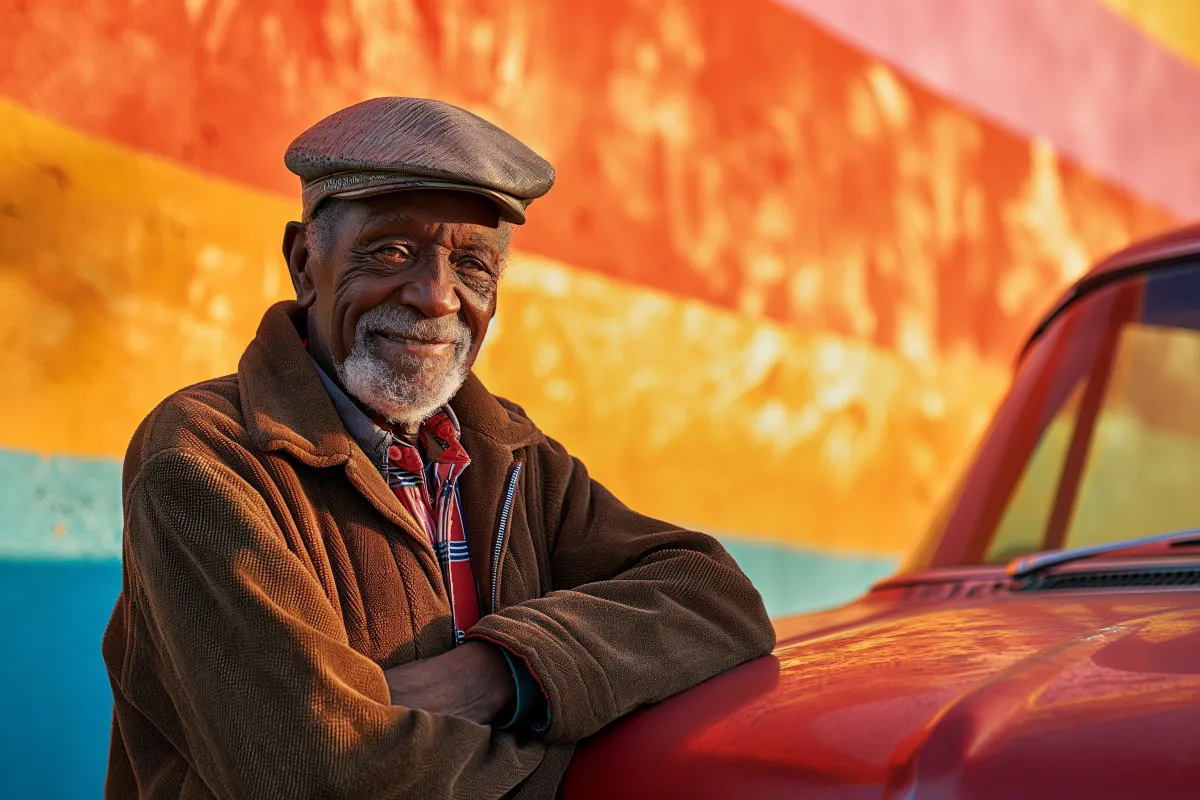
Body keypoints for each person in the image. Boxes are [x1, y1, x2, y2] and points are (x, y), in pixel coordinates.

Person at [102, 97, 775, 799]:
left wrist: (500, 674)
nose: (436, 297)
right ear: (305, 262)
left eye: (474, 265)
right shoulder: (204, 457)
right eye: (392, 251)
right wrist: (572, 753)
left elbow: (715, 598)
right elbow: (324, 775)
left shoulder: (507, 451)